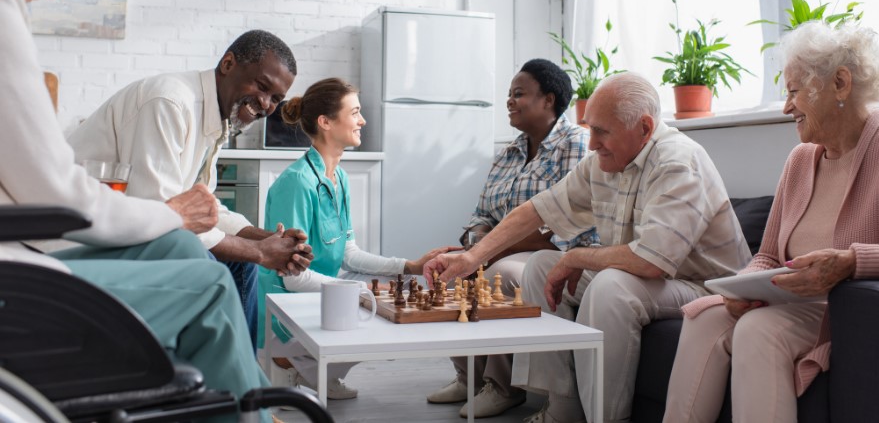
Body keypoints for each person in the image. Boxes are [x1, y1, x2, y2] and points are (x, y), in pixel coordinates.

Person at [0, 0, 273, 418]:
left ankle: (223, 394)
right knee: (208, 285)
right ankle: (250, 410)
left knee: (184, 249)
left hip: (35, 240)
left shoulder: (218, 119)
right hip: (26, 267)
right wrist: (176, 215)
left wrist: (253, 236)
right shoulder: (3, 10)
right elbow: (61, 192)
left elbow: (202, 208)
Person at [425, 72, 751, 423]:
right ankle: (561, 410)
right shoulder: (605, 161)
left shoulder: (677, 162)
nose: (591, 142)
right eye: (590, 128)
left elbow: (650, 261)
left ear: (644, 127)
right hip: (655, 279)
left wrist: (578, 256)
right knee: (541, 266)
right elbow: (538, 209)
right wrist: (472, 257)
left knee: (611, 287)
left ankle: (606, 418)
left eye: (601, 131)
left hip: (707, 288)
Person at [662, 21, 879, 423]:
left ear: (840, 83)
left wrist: (851, 262)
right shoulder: (801, 160)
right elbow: (768, 254)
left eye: (793, 92)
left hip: (843, 311)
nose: (787, 107)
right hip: (790, 303)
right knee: (706, 317)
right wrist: (745, 286)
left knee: (759, 329)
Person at [66, 29, 312, 347]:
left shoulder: (216, 120)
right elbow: (164, 215)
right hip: (79, 239)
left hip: (126, 230)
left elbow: (203, 207)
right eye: (262, 87)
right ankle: (230, 381)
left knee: (240, 262)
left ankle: (234, 379)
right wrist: (260, 253)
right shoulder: (170, 101)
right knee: (211, 267)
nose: (265, 104)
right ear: (227, 64)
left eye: (276, 99)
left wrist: (265, 239)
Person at [259, 77, 458, 400]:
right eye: (355, 113)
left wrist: (410, 266)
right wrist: (357, 292)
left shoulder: (339, 178)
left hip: (320, 288)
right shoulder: (296, 183)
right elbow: (293, 279)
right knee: (371, 301)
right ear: (326, 122)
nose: (363, 120)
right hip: (286, 307)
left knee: (405, 290)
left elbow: (349, 254)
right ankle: (288, 361)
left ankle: (315, 370)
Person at [425, 58, 598, 419]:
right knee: (451, 271)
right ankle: (468, 377)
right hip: (499, 248)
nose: (510, 101)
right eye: (509, 94)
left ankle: (503, 387)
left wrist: (491, 251)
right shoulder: (509, 151)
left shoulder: (578, 145)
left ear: (548, 100)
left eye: (519, 94)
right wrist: (477, 241)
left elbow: (568, 228)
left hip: (552, 251)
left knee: (499, 275)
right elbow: (481, 213)